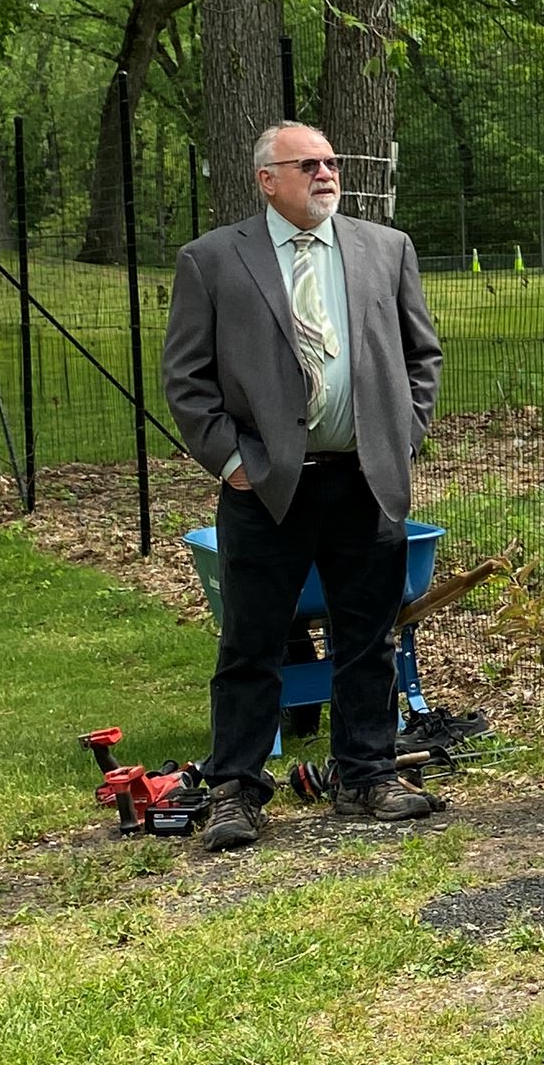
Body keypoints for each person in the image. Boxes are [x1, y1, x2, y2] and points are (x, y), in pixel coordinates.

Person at [163, 121, 446, 851]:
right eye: (308, 164)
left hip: (366, 480)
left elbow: (422, 354)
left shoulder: (386, 249)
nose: (326, 174)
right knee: (252, 643)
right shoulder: (213, 260)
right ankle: (235, 789)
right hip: (265, 487)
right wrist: (232, 463)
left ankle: (366, 775)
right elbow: (187, 379)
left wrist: (403, 435)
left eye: (330, 162)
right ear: (267, 180)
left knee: (369, 640)